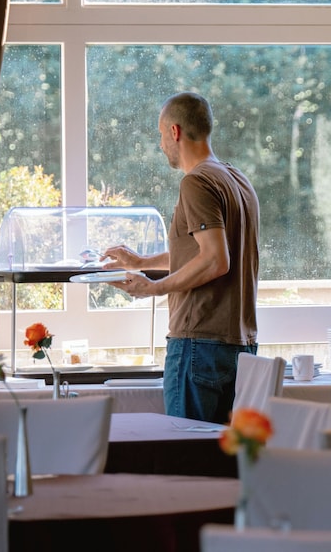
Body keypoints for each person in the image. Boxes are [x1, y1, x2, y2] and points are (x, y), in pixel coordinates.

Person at [104, 91, 259, 423]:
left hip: (198, 342)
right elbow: (200, 252)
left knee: (186, 449)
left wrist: (153, 288)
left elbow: (215, 260)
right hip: (241, 346)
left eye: (161, 135)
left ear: (174, 131)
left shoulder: (196, 182)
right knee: (222, 453)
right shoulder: (237, 181)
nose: (161, 144)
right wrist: (141, 263)